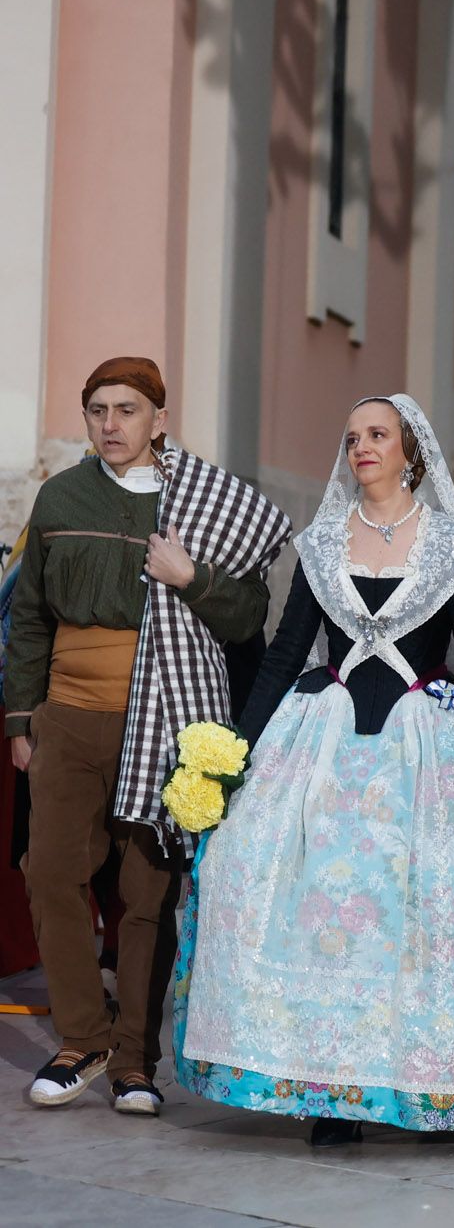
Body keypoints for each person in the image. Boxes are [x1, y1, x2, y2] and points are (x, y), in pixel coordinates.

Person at [175, 395, 454, 1146]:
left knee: (431, 906)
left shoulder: (447, 545)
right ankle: (333, 1096)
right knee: (313, 910)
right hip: (324, 745)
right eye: (353, 436)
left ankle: (434, 1085)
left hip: (423, 749)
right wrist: (234, 751)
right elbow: (281, 653)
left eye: (378, 435)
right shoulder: (324, 541)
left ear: (410, 453)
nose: (362, 446)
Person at [4, 358, 288, 1117]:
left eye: (127, 409)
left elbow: (245, 618)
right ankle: (82, 1039)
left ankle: (134, 1059)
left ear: (159, 418)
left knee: (147, 892)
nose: (110, 424)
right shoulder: (61, 496)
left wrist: (191, 575)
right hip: (68, 714)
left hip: (164, 716)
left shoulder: (205, 503)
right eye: (97, 409)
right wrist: (23, 718)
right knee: (50, 872)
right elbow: (29, 614)